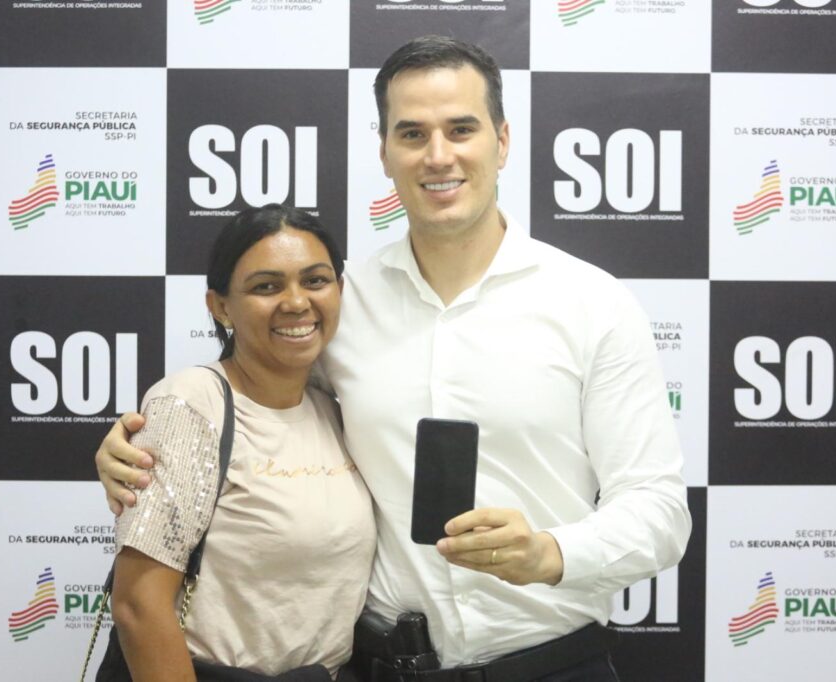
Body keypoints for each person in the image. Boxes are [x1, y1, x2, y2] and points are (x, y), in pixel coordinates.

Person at [98, 36, 690, 681]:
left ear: (502, 140)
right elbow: (247, 403)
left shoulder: (593, 303)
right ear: (384, 153)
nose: (438, 155)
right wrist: (138, 447)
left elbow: (659, 511)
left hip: (554, 665)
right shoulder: (336, 303)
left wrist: (549, 553)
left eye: (460, 129)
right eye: (412, 134)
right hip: (381, 666)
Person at [107, 204, 375, 681]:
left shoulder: (335, 408)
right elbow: (137, 604)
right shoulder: (192, 403)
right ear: (220, 306)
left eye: (315, 280)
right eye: (266, 286)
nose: (296, 302)